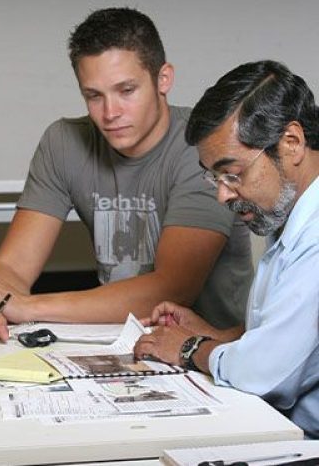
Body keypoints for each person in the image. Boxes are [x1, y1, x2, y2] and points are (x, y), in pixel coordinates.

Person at [0, 7, 253, 342]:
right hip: (111, 345)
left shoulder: (202, 144)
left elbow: (171, 289)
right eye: (94, 96)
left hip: (209, 356)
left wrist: (25, 307)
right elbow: (12, 268)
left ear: (163, 79)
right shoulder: (63, 142)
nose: (110, 113)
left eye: (126, 91)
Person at [133, 60, 319, 438]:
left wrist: (189, 347)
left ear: (292, 143)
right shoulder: (289, 215)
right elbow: (290, 338)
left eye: (233, 173)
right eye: (214, 177)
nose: (222, 194)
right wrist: (221, 337)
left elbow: (264, 374)